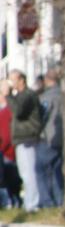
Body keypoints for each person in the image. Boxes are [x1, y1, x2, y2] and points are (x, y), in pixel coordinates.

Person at [0, 70, 44, 212]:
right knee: (25, 173)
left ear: (21, 80)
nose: (11, 83)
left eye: (13, 79)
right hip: (22, 139)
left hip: (28, 138)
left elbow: (18, 111)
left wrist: (7, 95)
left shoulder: (27, 94)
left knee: (29, 172)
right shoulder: (19, 96)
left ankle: (33, 204)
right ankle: (30, 203)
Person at [37, 69, 64, 208]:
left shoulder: (47, 96)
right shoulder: (63, 94)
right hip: (61, 137)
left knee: (41, 170)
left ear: (47, 80)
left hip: (48, 137)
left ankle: (47, 202)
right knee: (56, 170)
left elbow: (42, 115)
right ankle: (59, 200)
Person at [0, 96, 22, 208]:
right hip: (9, 150)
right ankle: (12, 200)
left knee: (7, 180)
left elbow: (5, 135)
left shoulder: (5, 112)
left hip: (7, 151)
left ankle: (10, 201)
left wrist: (2, 148)